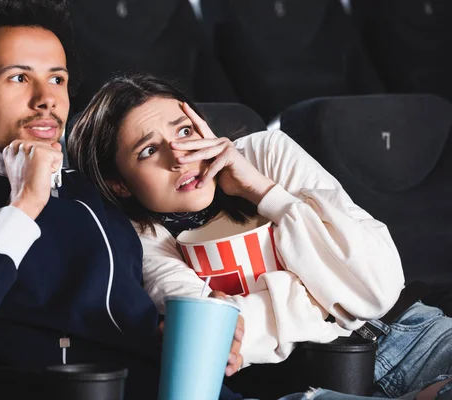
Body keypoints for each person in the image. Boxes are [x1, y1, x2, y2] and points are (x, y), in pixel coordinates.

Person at [0, 1, 244, 399]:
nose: (46, 99)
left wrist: (181, 331)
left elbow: (150, 284)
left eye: (57, 79)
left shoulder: (95, 186)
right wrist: (24, 206)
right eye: (18, 78)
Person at [67, 73, 452, 398]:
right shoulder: (135, 236)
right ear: (119, 184)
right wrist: (325, 292)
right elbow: (212, 338)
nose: (180, 155)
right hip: (307, 385)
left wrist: (264, 193)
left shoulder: (267, 153)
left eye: (185, 131)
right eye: (148, 150)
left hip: (415, 335)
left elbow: (376, 286)